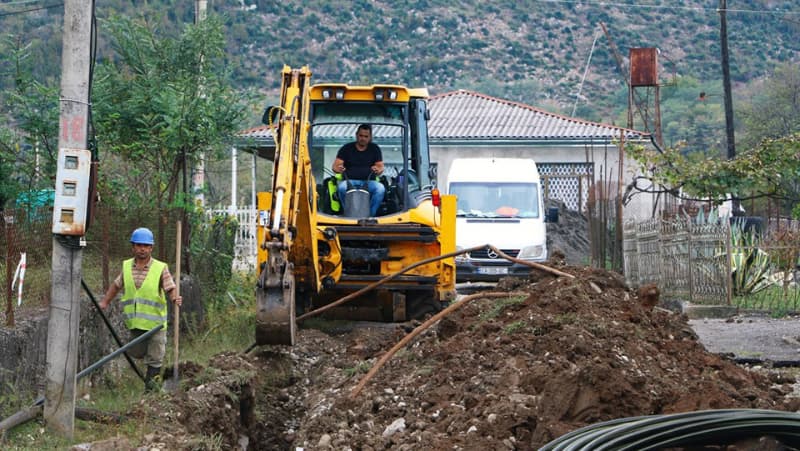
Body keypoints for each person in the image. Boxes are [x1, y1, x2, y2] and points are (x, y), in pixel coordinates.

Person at [99, 227, 182, 391]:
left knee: (155, 357)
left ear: (151, 248)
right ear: (133, 247)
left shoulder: (160, 267)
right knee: (135, 352)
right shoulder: (127, 266)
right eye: (139, 245)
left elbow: (170, 287)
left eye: (146, 246)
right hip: (136, 323)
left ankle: (150, 392)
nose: (142, 249)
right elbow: (116, 286)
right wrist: (105, 302)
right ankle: (150, 378)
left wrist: (175, 298)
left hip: (156, 324)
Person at [331, 123, 385, 217]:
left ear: (370, 137)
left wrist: (377, 169)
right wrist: (340, 168)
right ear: (356, 135)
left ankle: (370, 215)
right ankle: (348, 214)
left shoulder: (375, 149)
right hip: (349, 182)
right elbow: (335, 167)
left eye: (366, 136)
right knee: (342, 188)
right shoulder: (346, 148)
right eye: (360, 135)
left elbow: (380, 167)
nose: (363, 138)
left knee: (380, 189)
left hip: (369, 182)